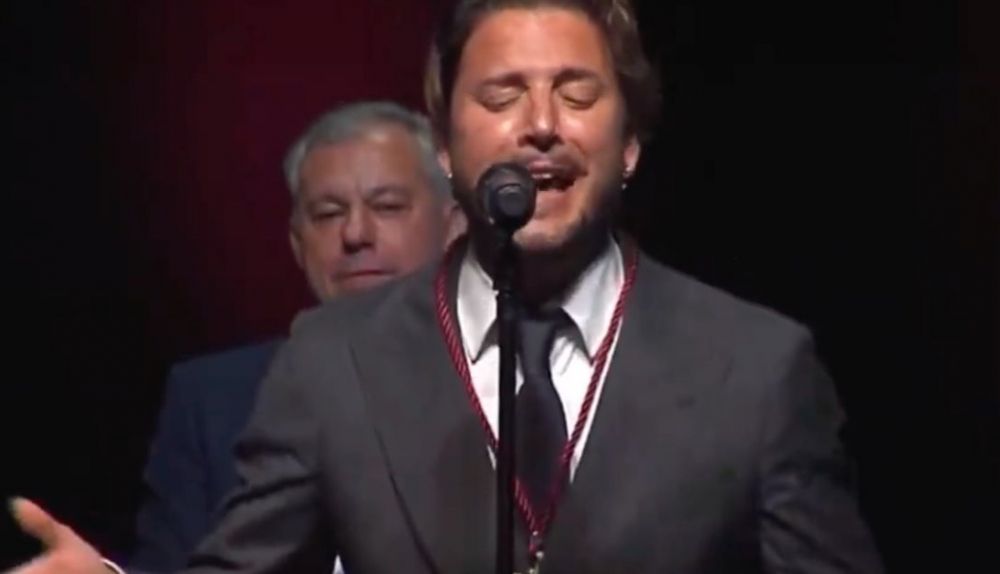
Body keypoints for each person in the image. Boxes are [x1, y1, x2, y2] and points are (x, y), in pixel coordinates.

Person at [9, 1, 884, 572]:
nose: (540, 126)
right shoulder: (335, 363)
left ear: (629, 144)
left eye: (577, 95)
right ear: (444, 145)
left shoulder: (757, 368)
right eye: (501, 97)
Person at [128, 101, 465, 572]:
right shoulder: (210, 400)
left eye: (387, 207)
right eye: (327, 214)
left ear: (453, 226)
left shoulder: (501, 380)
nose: (355, 233)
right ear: (297, 244)